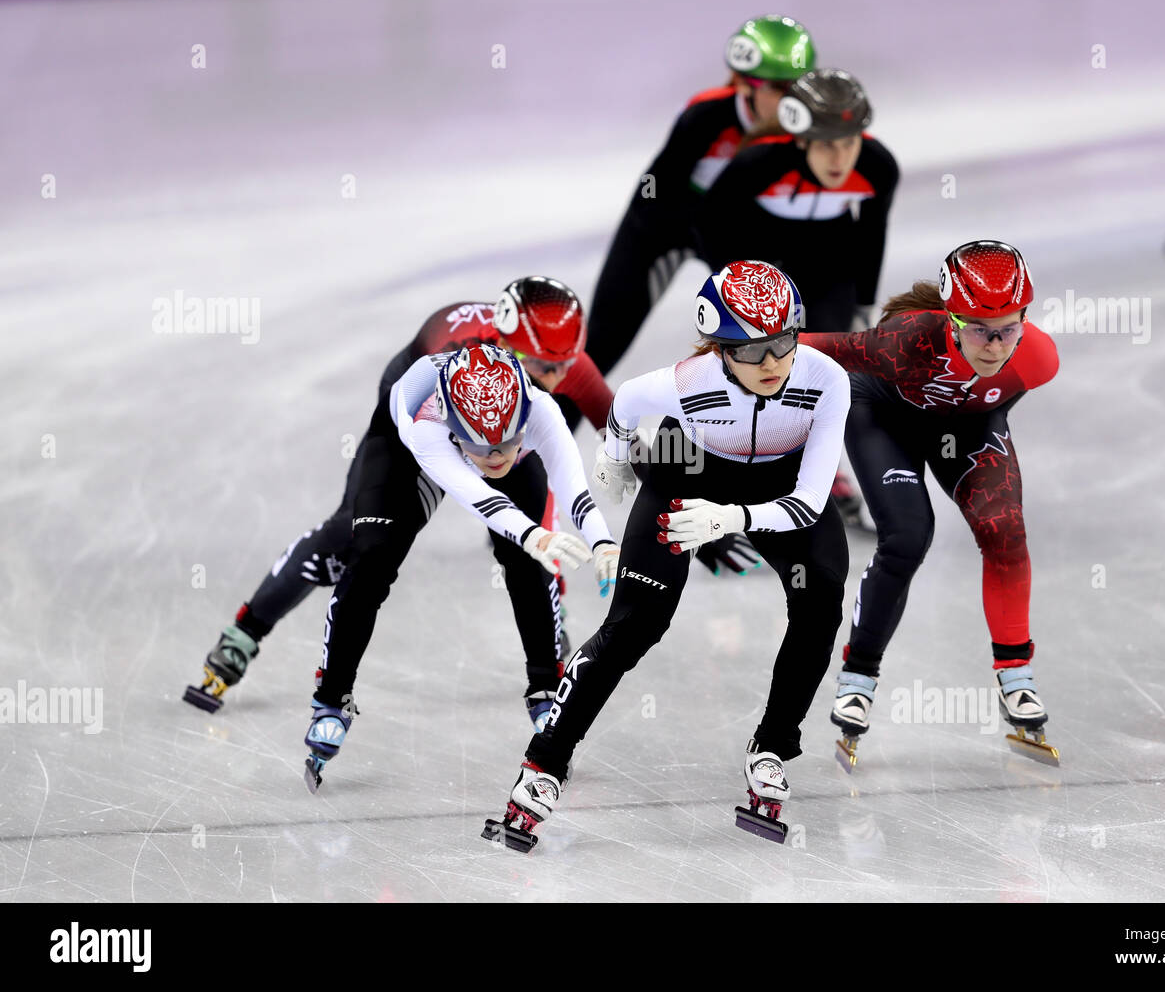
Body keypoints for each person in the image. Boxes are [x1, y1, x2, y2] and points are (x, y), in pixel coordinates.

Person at [483, 259, 851, 850]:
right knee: (635, 623)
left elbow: (809, 502)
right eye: (750, 350)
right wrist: (619, 455)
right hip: (687, 475)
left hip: (781, 490)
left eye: (782, 342)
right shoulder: (685, 381)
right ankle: (545, 762)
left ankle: (774, 745)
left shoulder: (826, 378)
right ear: (720, 348)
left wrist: (733, 519)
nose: (772, 363)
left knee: (822, 598)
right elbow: (626, 399)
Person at [185, 280, 612, 726]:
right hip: (416, 422)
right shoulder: (438, 374)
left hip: (493, 428)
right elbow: (461, 484)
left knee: (530, 544)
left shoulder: (552, 364)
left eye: (565, 363)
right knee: (352, 540)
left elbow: (616, 429)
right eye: (545, 367)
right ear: (506, 345)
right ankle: (246, 630)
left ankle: (546, 636)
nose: (559, 378)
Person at [302, 343, 622, 791]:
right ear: (455, 425)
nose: (495, 457)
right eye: (481, 445)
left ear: (524, 417)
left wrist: (603, 541)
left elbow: (573, 488)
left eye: (508, 441)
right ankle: (332, 696)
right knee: (372, 557)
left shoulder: (541, 410)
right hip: (401, 449)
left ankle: (546, 686)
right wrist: (533, 532)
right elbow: (479, 497)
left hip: (482, 432)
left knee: (528, 561)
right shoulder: (427, 425)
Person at [798, 241, 1061, 765]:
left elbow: (991, 399)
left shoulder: (1039, 358)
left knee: (1004, 532)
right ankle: (858, 677)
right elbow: (809, 346)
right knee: (908, 538)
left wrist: (970, 411)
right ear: (950, 319)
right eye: (979, 330)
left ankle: (1017, 677)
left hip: (965, 426)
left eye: (1010, 329)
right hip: (882, 417)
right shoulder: (903, 342)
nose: (995, 346)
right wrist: (728, 352)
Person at [583, 14, 817, 375]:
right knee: (600, 347)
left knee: (782, 340)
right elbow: (650, 199)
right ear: (744, 84)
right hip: (664, 228)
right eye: (779, 88)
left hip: (731, 232)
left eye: (798, 88)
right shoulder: (705, 117)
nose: (792, 101)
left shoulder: (808, 132)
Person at [696, 67, 899, 335]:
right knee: (767, 343)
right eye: (827, 145)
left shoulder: (878, 166)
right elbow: (709, 224)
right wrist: (731, 286)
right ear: (802, 140)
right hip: (761, 247)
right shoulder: (759, 163)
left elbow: (872, 234)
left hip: (829, 252)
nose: (840, 160)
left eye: (849, 142)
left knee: (824, 342)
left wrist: (863, 304)